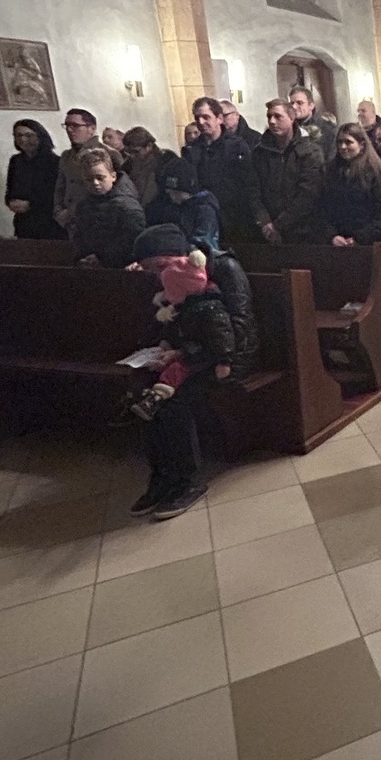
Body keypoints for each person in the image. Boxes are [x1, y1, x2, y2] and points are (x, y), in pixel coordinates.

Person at [128, 223, 249, 520]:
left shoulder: (225, 268)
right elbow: (176, 317)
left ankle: (188, 481)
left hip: (227, 357)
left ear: (178, 255)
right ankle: (162, 477)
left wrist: (184, 353)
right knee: (143, 392)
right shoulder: (174, 274)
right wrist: (164, 346)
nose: (158, 276)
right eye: (151, 271)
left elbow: (238, 328)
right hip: (195, 354)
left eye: (158, 267)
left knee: (173, 401)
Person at [128, 248, 234, 423]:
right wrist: (165, 346)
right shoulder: (182, 306)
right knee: (152, 369)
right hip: (188, 350)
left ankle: (155, 398)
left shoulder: (210, 308)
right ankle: (142, 398)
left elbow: (222, 338)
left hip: (203, 355)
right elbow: (173, 330)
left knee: (178, 369)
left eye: (171, 291)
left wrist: (224, 361)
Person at [184, 97, 261, 247]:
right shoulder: (192, 150)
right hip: (206, 218)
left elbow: (249, 182)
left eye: (206, 117)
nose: (200, 122)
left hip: (235, 217)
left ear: (219, 118)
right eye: (197, 118)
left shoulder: (236, 146)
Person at [251, 99, 325, 244]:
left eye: (278, 116)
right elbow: (253, 189)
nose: (272, 121)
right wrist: (265, 222)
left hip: (302, 230)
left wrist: (278, 225)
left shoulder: (310, 151)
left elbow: (308, 193)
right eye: (269, 116)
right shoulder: (260, 152)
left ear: (291, 118)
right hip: (267, 230)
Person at [319, 123, 381, 245]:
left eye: (348, 142)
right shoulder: (330, 171)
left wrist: (359, 238)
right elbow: (322, 208)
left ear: (362, 145)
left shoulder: (377, 173)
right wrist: (331, 235)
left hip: (368, 243)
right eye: (339, 142)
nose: (343, 147)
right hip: (337, 242)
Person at [70, 148, 146, 267]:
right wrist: (83, 256)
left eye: (100, 178)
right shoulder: (83, 206)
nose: (95, 183)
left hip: (120, 268)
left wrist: (102, 258)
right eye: (89, 179)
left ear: (113, 176)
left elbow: (132, 243)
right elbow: (79, 238)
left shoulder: (127, 207)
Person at [54, 109, 123, 228]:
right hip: (69, 221)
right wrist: (58, 211)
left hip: (96, 218)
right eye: (67, 125)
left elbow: (118, 189)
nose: (69, 130)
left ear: (91, 128)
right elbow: (60, 187)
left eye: (75, 125)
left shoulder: (110, 154)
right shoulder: (66, 156)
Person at [4, 119, 62, 239]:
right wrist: (10, 202)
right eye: (18, 135)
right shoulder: (16, 161)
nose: (22, 139)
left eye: (28, 135)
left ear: (40, 137)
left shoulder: (55, 162)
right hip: (23, 222)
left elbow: (56, 195)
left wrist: (30, 205)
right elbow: (10, 189)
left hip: (49, 223)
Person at [160, 156, 221, 252]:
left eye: (177, 193)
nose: (173, 197)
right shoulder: (172, 207)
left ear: (189, 190)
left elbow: (205, 241)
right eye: (170, 193)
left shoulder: (205, 210)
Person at [122, 127, 182, 224]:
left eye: (136, 152)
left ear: (149, 146)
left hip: (163, 213)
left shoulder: (166, 160)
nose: (132, 156)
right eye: (129, 153)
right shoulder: (128, 165)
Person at [288, 85, 337, 162]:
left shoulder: (327, 128)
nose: (294, 106)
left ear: (311, 105)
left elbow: (331, 158)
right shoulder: (289, 128)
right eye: (292, 103)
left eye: (299, 103)